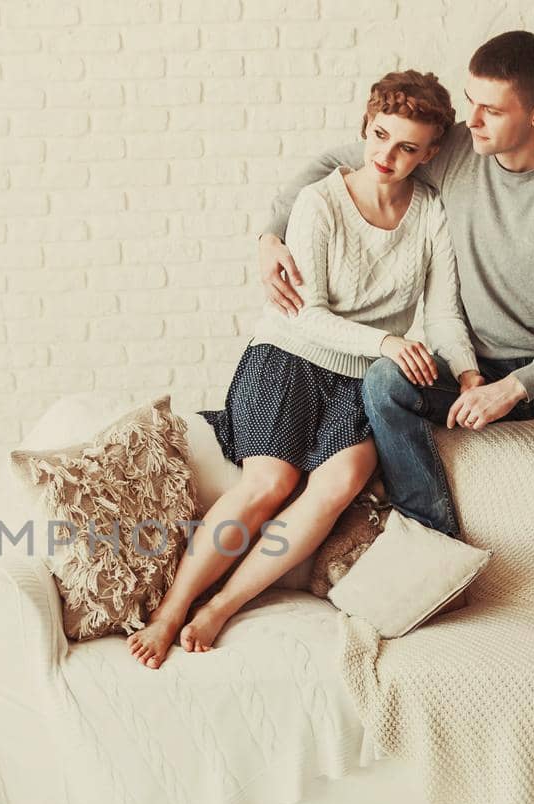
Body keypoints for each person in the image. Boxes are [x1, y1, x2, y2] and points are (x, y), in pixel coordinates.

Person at [258, 30, 534, 671]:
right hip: (469, 363)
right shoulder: (457, 146)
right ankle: (436, 550)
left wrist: (515, 388)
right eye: (470, 102)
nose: (474, 119)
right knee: (384, 381)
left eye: (492, 108)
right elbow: (337, 162)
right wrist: (270, 234)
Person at [128, 70, 476, 670]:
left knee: (336, 488)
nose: (386, 156)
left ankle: (221, 606)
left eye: (406, 147)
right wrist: (390, 342)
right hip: (287, 358)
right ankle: (171, 608)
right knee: (270, 484)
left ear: (431, 153)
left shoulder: (429, 213)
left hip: (359, 378)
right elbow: (306, 315)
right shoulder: (321, 200)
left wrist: (469, 376)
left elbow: (442, 313)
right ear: (365, 127)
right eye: (378, 136)